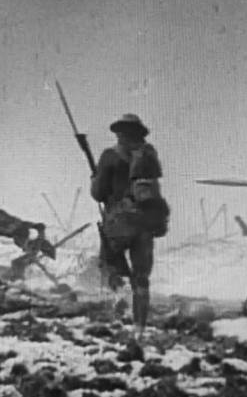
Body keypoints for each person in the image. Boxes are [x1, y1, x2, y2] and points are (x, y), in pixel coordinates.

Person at [90, 113, 169, 339]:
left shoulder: (110, 156)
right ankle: (139, 329)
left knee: (109, 264)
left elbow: (98, 193)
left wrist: (94, 178)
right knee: (141, 277)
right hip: (145, 224)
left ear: (119, 132)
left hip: (120, 223)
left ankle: (119, 299)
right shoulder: (148, 155)